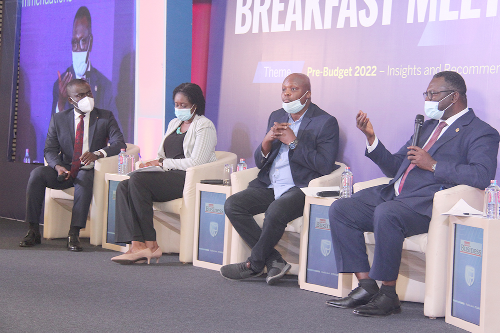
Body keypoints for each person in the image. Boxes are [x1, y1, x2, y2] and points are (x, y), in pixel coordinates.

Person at [326, 71, 499, 317]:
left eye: (433, 94)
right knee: (341, 209)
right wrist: (372, 139)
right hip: (395, 196)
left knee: (388, 213)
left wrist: (434, 165)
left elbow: (482, 175)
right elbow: (395, 165)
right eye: (426, 93)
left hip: (425, 205)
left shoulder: (481, 132)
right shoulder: (427, 127)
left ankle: (388, 295)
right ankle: (366, 286)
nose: (427, 99)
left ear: (454, 96)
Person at [220, 73, 340, 285]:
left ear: (307, 94)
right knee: (233, 204)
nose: (286, 94)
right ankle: (275, 260)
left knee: (275, 210)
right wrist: (266, 143)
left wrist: (294, 143)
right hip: (270, 183)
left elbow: (324, 165)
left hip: (299, 187)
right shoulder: (277, 115)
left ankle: (254, 265)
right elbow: (261, 160)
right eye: (284, 89)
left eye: (293, 89)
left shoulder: (325, 122)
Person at [111, 83, 217, 265]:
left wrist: (163, 163)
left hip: (186, 178)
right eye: (176, 105)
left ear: (195, 105)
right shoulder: (174, 123)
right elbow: (162, 155)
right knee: (124, 185)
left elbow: (196, 162)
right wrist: (153, 164)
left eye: (183, 105)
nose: (179, 109)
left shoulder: (204, 126)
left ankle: (151, 245)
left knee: (137, 180)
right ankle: (136, 244)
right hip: (166, 174)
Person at [20, 79, 126, 251]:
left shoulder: (105, 116)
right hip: (65, 170)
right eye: (80, 95)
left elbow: (119, 143)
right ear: (70, 100)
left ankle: (74, 233)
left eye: (89, 93)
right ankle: (32, 230)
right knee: (37, 174)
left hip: (88, 170)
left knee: (84, 178)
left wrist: (97, 154)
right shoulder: (59, 118)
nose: (87, 98)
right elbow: (50, 149)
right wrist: (57, 166)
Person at [52, 6, 115, 117]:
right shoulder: (60, 86)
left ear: (90, 42)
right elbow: (53, 131)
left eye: (83, 41)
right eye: (75, 42)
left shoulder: (105, 86)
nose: (78, 48)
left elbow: (116, 130)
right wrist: (61, 102)